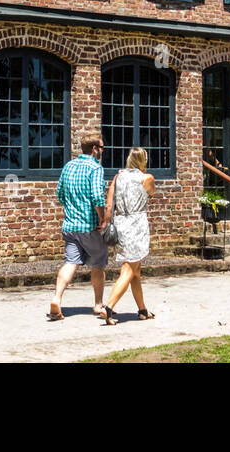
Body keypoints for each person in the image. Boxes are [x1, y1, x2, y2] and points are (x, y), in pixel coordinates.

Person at [48, 136, 109, 321]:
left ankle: (56, 299)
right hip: (90, 226)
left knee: (70, 262)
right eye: (102, 148)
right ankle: (98, 304)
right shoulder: (95, 168)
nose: (102, 151)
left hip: (70, 225)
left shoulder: (69, 166)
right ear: (94, 149)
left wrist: (72, 209)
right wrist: (102, 219)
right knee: (98, 264)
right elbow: (98, 197)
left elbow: (60, 193)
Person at [100, 148, 157, 325]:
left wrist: (107, 224)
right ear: (143, 160)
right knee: (129, 269)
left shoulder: (118, 177)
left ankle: (142, 310)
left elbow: (109, 205)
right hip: (136, 224)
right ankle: (108, 307)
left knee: (136, 271)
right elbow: (151, 193)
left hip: (120, 223)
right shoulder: (147, 178)